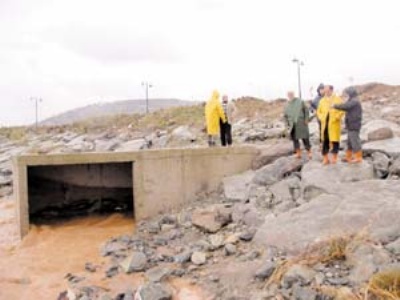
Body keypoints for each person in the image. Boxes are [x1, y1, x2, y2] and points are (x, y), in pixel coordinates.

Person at [333, 87, 363, 163]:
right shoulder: (352, 100)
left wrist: (334, 106)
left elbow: (345, 106)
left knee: (355, 142)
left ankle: (358, 158)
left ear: (351, 93)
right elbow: (346, 105)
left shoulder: (354, 101)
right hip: (350, 125)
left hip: (354, 125)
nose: (346, 95)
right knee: (349, 142)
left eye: (347, 93)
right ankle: (348, 157)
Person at [317, 85, 344, 165]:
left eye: (328, 90)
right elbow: (318, 112)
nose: (326, 92)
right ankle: (325, 158)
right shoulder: (322, 100)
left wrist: (337, 117)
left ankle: (334, 157)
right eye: (325, 91)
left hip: (334, 123)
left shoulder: (337, 99)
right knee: (325, 140)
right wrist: (322, 118)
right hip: (325, 124)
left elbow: (342, 110)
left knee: (335, 141)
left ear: (332, 90)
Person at [284, 91, 311, 159]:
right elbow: (285, 117)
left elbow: (306, 110)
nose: (290, 95)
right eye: (289, 94)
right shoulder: (286, 105)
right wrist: (286, 125)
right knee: (295, 140)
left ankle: (309, 152)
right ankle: (298, 153)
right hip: (292, 125)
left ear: (294, 94)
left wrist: (306, 119)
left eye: (291, 94)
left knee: (305, 138)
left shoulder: (300, 101)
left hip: (301, 123)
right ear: (287, 95)